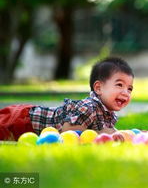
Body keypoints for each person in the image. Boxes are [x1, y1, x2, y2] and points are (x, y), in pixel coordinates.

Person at [0, 57, 134, 141]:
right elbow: (67, 132)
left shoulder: (108, 113)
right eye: (119, 85)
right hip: (22, 121)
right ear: (98, 88)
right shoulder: (88, 107)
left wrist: (130, 135)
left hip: (28, 126)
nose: (125, 92)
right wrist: (100, 133)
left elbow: (110, 132)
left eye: (129, 88)